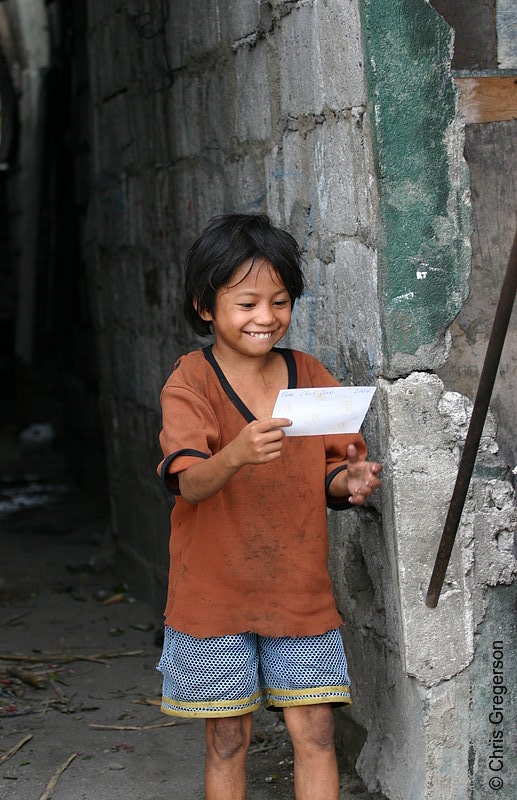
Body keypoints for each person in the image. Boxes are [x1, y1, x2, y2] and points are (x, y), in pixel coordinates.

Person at [156, 213, 382, 800]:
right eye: (247, 302)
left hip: (297, 589)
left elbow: (329, 468)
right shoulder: (191, 382)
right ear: (205, 307)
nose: (266, 318)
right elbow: (189, 484)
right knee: (228, 738)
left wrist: (349, 480)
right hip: (214, 593)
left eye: (279, 301)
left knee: (317, 729)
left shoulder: (307, 374)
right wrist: (235, 453)